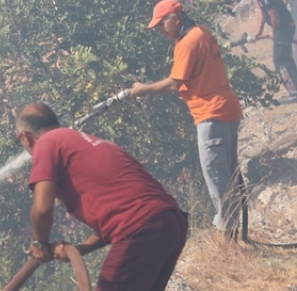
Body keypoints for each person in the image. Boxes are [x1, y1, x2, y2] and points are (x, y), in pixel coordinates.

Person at [16, 102, 188, 291]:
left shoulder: (46, 143)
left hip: (140, 228)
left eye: (19, 143)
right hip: (170, 223)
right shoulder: (78, 141)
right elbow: (121, 213)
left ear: (26, 137)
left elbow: (42, 209)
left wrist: (39, 243)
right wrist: (82, 248)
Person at [130, 0, 244, 234]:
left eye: (162, 25)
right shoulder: (202, 32)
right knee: (230, 178)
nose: (161, 31)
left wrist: (144, 89)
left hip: (212, 115)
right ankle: (234, 232)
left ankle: (227, 240)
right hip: (228, 109)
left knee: (218, 181)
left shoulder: (187, 43)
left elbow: (175, 83)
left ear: (175, 18)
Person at [242, 0, 297, 103]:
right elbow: (261, 11)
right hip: (282, 28)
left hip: (284, 28)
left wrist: (273, 33)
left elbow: (275, 18)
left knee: (280, 60)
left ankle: (295, 94)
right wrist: (259, 31)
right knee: (285, 59)